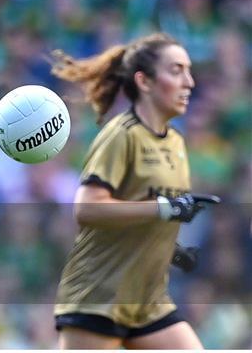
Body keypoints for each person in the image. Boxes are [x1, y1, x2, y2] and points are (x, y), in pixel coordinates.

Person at [51, 33, 220, 349]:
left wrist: (169, 249)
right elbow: (88, 208)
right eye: (177, 70)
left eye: (189, 70)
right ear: (144, 82)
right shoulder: (121, 134)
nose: (190, 82)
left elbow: (139, 208)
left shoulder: (177, 143)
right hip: (99, 296)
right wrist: (165, 209)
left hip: (148, 301)